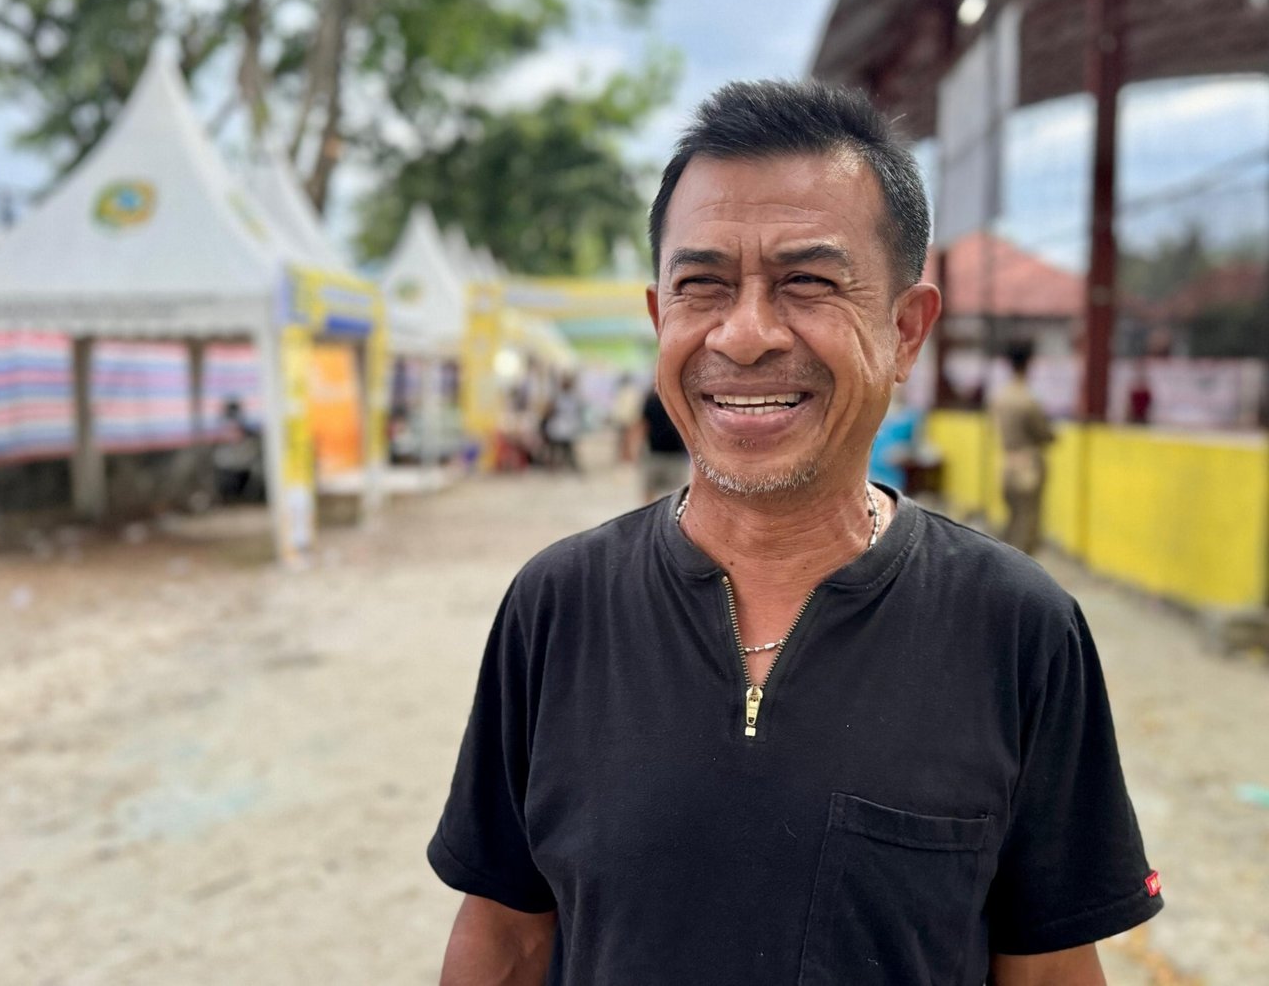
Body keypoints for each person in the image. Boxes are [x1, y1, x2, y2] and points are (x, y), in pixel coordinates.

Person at [428, 80, 1162, 986]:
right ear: (660, 319)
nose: (743, 335)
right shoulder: (558, 607)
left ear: (905, 330)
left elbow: (1048, 971)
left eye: (807, 282)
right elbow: (505, 934)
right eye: (702, 286)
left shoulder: (1016, 628)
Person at [989, 341, 1054, 556]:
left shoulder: (1000, 397)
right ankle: (1019, 569)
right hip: (1028, 464)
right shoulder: (1027, 399)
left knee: (1012, 518)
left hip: (1007, 463)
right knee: (1027, 524)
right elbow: (1044, 433)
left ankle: (1006, 563)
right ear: (1028, 363)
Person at [634, 383, 688, 503]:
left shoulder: (652, 398)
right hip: (666, 455)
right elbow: (643, 425)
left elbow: (643, 425)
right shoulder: (679, 399)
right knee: (675, 496)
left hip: (667, 455)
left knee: (653, 493)